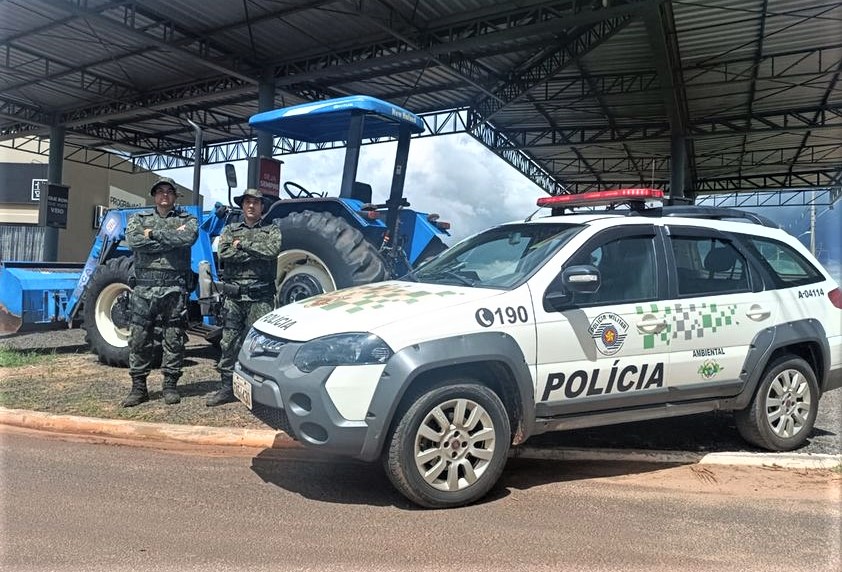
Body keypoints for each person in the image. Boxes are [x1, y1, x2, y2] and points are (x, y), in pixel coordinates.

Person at [121, 177, 198, 407]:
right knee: (138, 339)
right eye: (160, 191)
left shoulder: (188, 220)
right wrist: (170, 239)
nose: (164, 195)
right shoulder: (138, 219)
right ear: (154, 196)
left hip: (174, 288)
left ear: (175, 197)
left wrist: (152, 234)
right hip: (144, 288)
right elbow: (134, 241)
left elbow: (188, 237)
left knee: (173, 338)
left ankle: (170, 386)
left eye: (169, 191)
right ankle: (139, 388)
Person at [206, 188, 281, 406]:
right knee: (228, 342)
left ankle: (260, 393)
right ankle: (227, 388)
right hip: (235, 298)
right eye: (248, 202)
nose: (251, 206)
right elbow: (225, 253)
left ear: (262, 207)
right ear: (243, 205)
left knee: (261, 346)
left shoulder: (272, 230)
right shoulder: (230, 230)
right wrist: (252, 250)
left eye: (256, 203)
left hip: (261, 298)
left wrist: (243, 245)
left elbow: (271, 251)